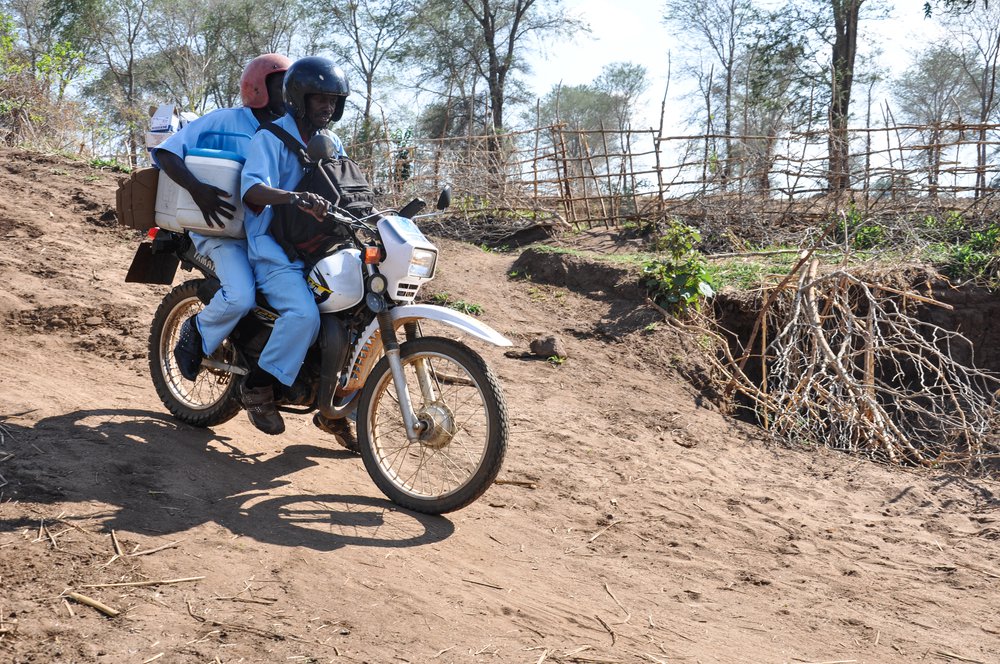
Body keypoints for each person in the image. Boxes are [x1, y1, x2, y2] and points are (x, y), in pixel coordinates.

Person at [152, 53, 292, 382]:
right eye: (281, 85)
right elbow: (167, 153)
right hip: (221, 234)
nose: (289, 93)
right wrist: (198, 190)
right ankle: (196, 332)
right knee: (240, 294)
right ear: (258, 86)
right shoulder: (225, 120)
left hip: (266, 237)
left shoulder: (289, 133)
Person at [238, 56, 356, 448]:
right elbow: (252, 189)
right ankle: (258, 387)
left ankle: (336, 405)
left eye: (333, 101)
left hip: (319, 244)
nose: (327, 107)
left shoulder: (333, 142)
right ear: (298, 98)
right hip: (274, 247)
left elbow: (343, 186)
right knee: (303, 314)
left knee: (360, 311)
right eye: (319, 98)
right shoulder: (269, 138)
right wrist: (294, 198)